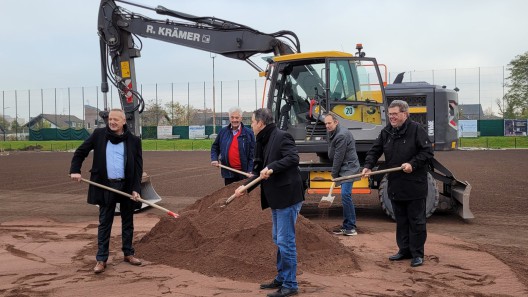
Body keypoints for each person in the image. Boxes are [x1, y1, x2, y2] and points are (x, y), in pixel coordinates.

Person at [234, 108, 304, 297]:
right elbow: (258, 171)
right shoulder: (261, 140)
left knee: (285, 241)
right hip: (276, 198)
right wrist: (245, 187)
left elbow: (293, 158)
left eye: (252, 122)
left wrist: (272, 167)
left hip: (288, 197)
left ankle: (290, 284)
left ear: (261, 123)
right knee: (278, 239)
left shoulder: (282, 136)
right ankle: (282, 277)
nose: (251, 125)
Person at [69, 108, 143, 274]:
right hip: (105, 185)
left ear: (124, 121)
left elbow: (138, 168)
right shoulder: (98, 135)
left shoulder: (134, 141)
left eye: (116, 119)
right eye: (110, 119)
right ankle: (101, 259)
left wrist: (136, 189)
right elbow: (81, 152)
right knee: (104, 223)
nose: (112, 122)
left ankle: (128, 253)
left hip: (126, 186)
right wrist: (75, 170)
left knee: (128, 222)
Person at [361, 100, 434, 268]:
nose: (392, 117)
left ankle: (417, 254)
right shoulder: (387, 131)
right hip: (395, 183)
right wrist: (368, 166)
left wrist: (412, 164)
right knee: (401, 220)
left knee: (416, 220)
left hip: (414, 183)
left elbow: (427, 152)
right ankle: (404, 250)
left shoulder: (417, 130)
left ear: (405, 114)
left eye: (395, 114)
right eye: (390, 114)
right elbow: (375, 150)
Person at [324, 113, 360, 236]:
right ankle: (347, 226)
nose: (327, 126)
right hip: (344, 167)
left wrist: (334, 174)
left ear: (336, 122)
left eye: (329, 123)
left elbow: (338, 157)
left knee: (345, 195)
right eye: (326, 123)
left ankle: (350, 227)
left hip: (349, 167)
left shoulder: (341, 135)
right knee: (345, 195)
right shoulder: (333, 133)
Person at [211, 106, 255, 185]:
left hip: (244, 173)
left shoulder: (249, 133)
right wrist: (214, 159)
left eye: (237, 117)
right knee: (229, 193)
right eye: (232, 117)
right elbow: (215, 147)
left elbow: (253, 154)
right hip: (228, 172)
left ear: (241, 118)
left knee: (243, 195)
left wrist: (250, 170)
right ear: (229, 118)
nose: (234, 120)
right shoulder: (223, 132)